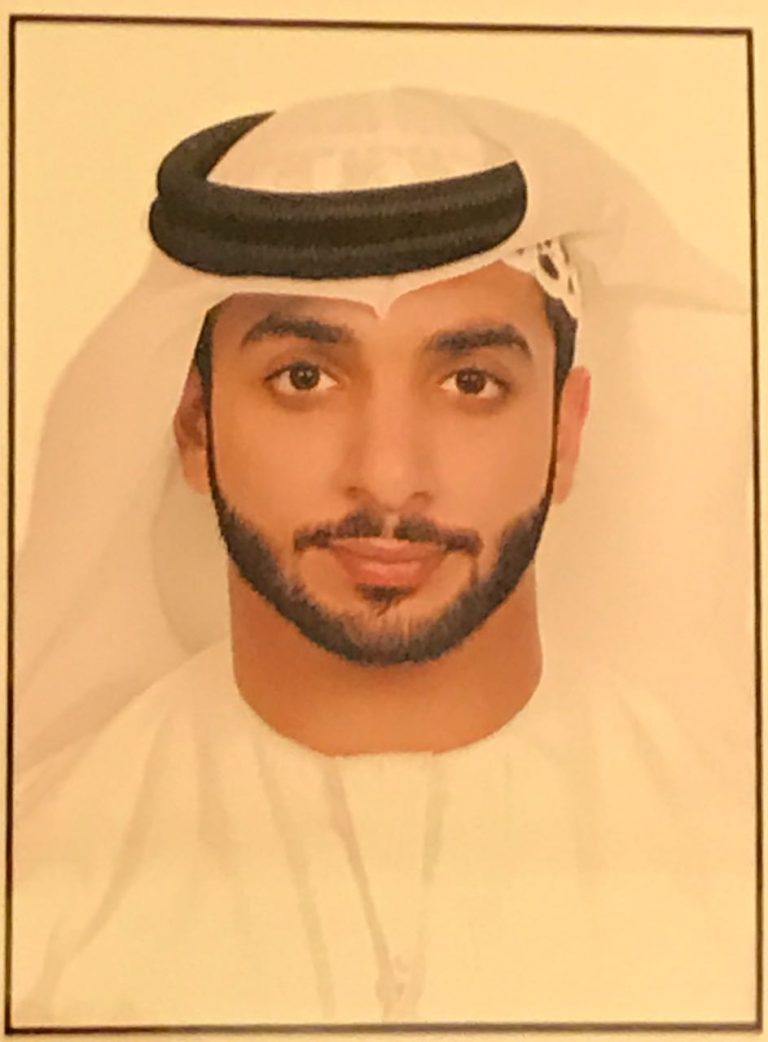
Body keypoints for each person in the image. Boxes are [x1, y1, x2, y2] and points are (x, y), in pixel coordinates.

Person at [12, 88, 754, 1027]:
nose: (390, 478)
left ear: (567, 434)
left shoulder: (731, 873)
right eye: (305, 378)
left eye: (471, 382)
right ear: (195, 425)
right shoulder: (44, 893)